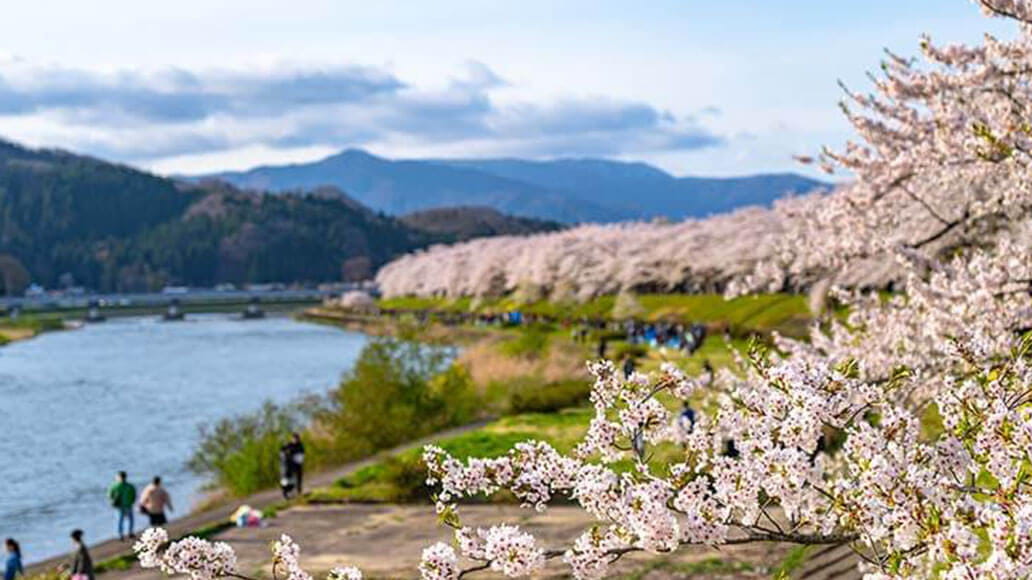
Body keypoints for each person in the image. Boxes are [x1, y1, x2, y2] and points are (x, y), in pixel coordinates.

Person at [108, 471, 136, 540]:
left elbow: (109, 495)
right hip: (123, 505)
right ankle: (127, 533)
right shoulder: (129, 486)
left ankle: (122, 534)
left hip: (124, 505)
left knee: (122, 520)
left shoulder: (115, 486)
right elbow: (134, 495)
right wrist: (132, 501)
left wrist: (112, 501)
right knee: (126, 520)